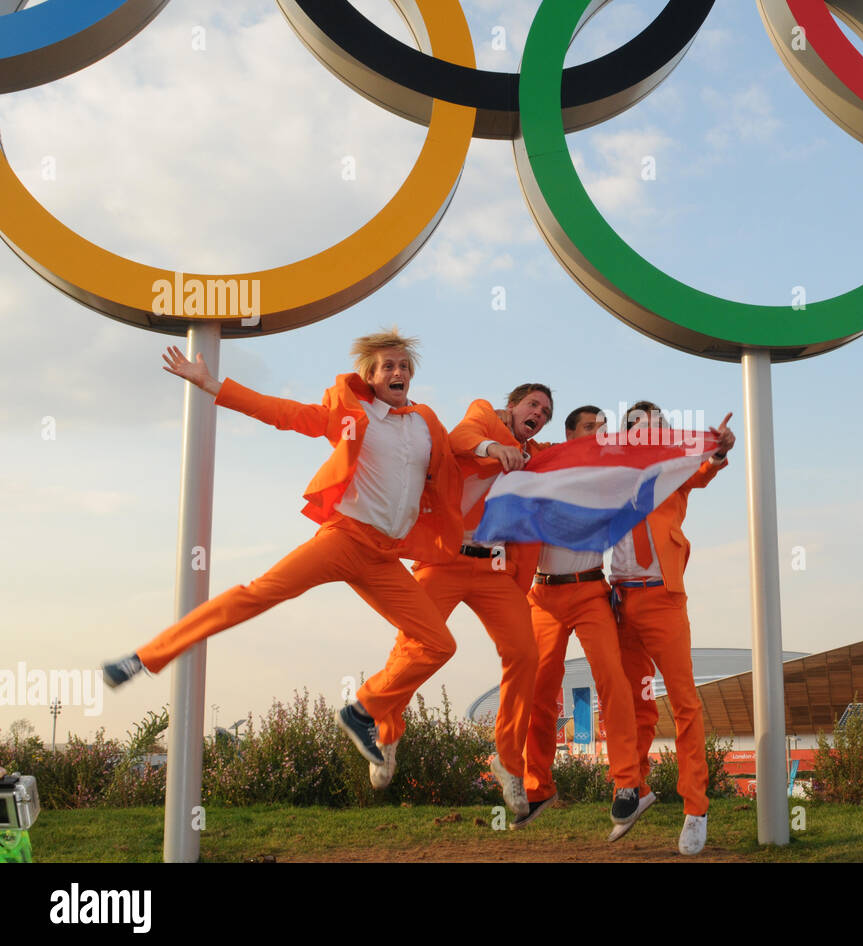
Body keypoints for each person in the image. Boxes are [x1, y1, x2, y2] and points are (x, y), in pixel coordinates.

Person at [100, 330, 463, 772]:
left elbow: (456, 458)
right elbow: (285, 414)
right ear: (370, 376)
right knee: (259, 593)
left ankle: (363, 709)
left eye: (404, 366)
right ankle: (143, 657)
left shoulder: (426, 423)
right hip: (344, 538)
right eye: (388, 365)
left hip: (386, 557)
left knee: (438, 643)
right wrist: (214, 385)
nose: (398, 372)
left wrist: (490, 446)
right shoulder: (352, 413)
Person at [362, 384, 554, 816]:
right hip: (445, 561)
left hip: (494, 570)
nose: (539, 413)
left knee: (525, 654)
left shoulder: (536, 457)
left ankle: (507, 763)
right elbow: (459, 439)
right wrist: (493, 446)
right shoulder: (483, 418)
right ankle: (387, 732)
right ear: (512, 406)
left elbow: (579, 456)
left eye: (545, 411)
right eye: (533, 405)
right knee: (414, 649)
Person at [513, 406, 647, 839]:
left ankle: (627, 783)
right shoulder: (545, 462)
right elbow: (513, 449)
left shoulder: (610, 473)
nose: (598, 435)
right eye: (590, 428)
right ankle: (538, 786)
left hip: (590, 590)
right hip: (543, 594)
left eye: (602, 430)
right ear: (569, 434)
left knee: (612, 678)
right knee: (539, 690)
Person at [610, 401, 734, 856]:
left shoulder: (674, 472)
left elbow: (705, 469)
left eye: (657, 425)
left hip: (662, 598)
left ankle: (695, 809)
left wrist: (718, 452)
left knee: (684, 704)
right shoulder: (611, 479)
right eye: (637, 425)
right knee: (630, 702)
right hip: (619, 602)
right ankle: (634, 788)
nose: (648, 431)